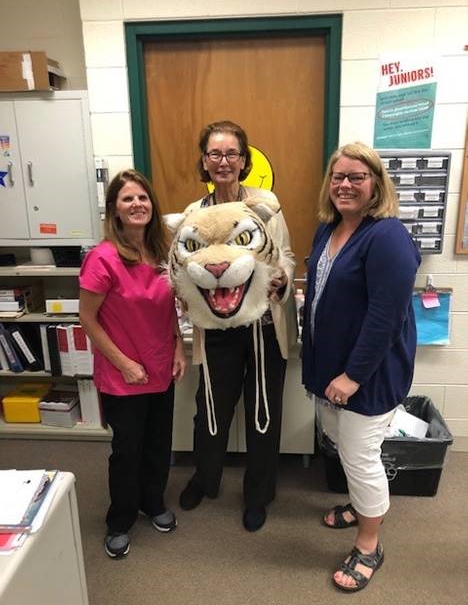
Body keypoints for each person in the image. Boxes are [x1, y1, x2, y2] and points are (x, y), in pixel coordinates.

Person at [302, 142, 420, 591]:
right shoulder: (327, 228)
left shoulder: (387, 236)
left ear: (376, 185)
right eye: (338, 177)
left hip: (364, 376)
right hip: (330, 372)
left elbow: (385, 317)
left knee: (361, 456)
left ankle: (369, 544)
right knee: (339, 441)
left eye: (357, 177)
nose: (345, 185)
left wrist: (353, 376)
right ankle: (358, 503)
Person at [178, 120, 298, 531]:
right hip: (216, 328)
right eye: (215, 154)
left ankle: (258, 495)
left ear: (244, 161)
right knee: (209, 411)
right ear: (205, 161)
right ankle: (205, 478)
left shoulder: (267, 203)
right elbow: (185, 265)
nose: (224, 161)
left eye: (232, 154)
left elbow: (284, 254)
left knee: (263, 413)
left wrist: (281, 275)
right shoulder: (194, 214)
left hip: (264, 325)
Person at [79, 169, 186, 559]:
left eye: (143, 197)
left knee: (159, 443)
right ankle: (119, 520)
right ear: (115, 210)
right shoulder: (102, 258)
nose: (137, 204)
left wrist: (178, 347)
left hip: (160, 368)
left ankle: (153, 503)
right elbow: (87, 319)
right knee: (128, 450)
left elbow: (169, 307)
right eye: (128, 199)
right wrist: (124, 363)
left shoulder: (161, 253)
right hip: (122, 374)